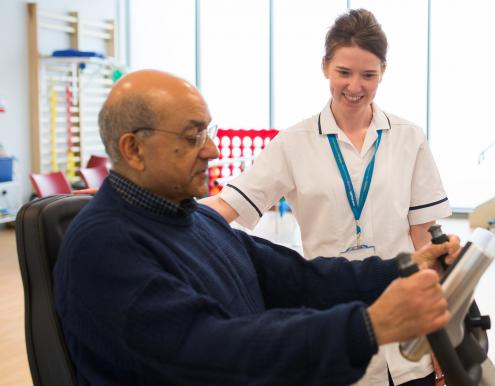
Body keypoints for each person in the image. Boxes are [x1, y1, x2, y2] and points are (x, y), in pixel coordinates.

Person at [54, 69, 461, 386]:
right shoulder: (104, 247)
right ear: (134, 149)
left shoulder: (191, 218)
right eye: (194, 136)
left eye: (208, 132)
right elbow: (208, 349)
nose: (212, 150)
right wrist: (369, 326)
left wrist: (406, 266)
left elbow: (299, 278)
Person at [203, 9, 451, 385]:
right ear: (325, 67)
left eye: (368, 75)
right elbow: (226, 206)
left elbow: (423, 238)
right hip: (337, 322)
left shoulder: (408, 137)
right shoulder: (293, 143)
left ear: (383, 71)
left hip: (406, 321)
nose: (355, 86)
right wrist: (145, 207)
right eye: (344, 73)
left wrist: (441, 334)